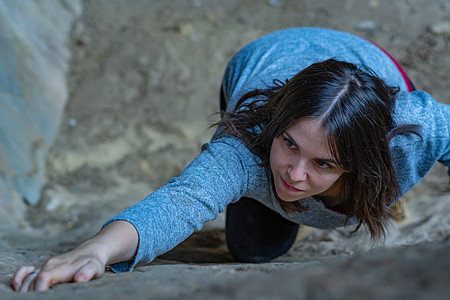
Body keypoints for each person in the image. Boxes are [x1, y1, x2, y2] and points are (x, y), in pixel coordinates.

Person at [12, 27, 450, 292]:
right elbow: (183, 201)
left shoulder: (413, 133)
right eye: (290, 144)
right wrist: (94, 251)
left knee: (375, 199)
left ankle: (361, 190)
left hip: (369, 64)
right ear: (276, 125)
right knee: (253, 251)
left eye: (324, 164)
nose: (295, 174)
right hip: (263, 56)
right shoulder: (244, 146)